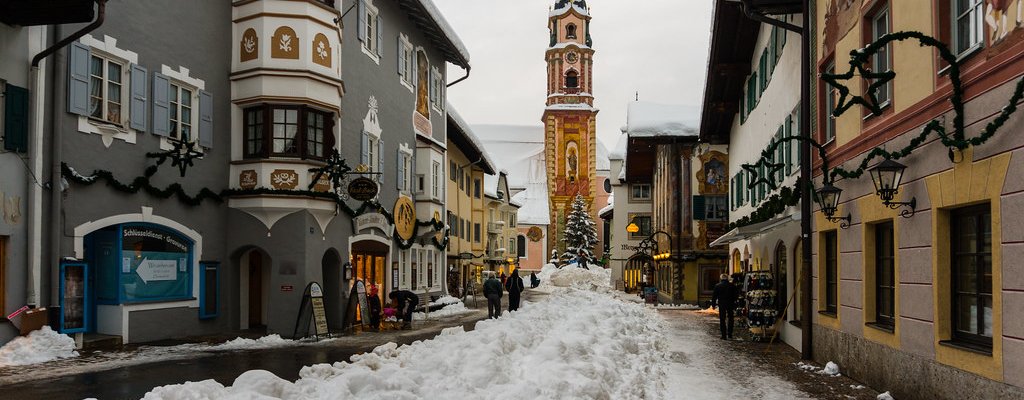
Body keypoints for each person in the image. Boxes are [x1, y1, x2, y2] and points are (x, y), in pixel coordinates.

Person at [711, 273, 738, 340]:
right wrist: (734, 303)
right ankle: (730, 334)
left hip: (722, 304)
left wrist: (713, 305)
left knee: (722, 319)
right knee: (731, 319)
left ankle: (723, 335)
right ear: (727, 278)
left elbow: (714, 296)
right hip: (730, 304)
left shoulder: (717, 286)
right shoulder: (732, 285)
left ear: (721, 278)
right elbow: (736, 295)